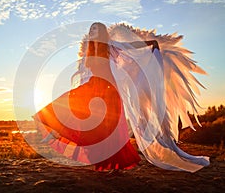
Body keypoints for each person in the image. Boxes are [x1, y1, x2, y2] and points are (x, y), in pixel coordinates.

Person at [34, 22, 210, 172]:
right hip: (93, 87)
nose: (94, 31)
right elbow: (86, 71)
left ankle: (112, 163)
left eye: (97, 28)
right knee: (70, 105)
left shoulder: (110, 45)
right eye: (92, 29)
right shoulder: (89, 50)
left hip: (109, 91)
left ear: (102, 32)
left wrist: (150, 43)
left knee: (106, 130)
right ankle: (56, 128)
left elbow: (132, 46)